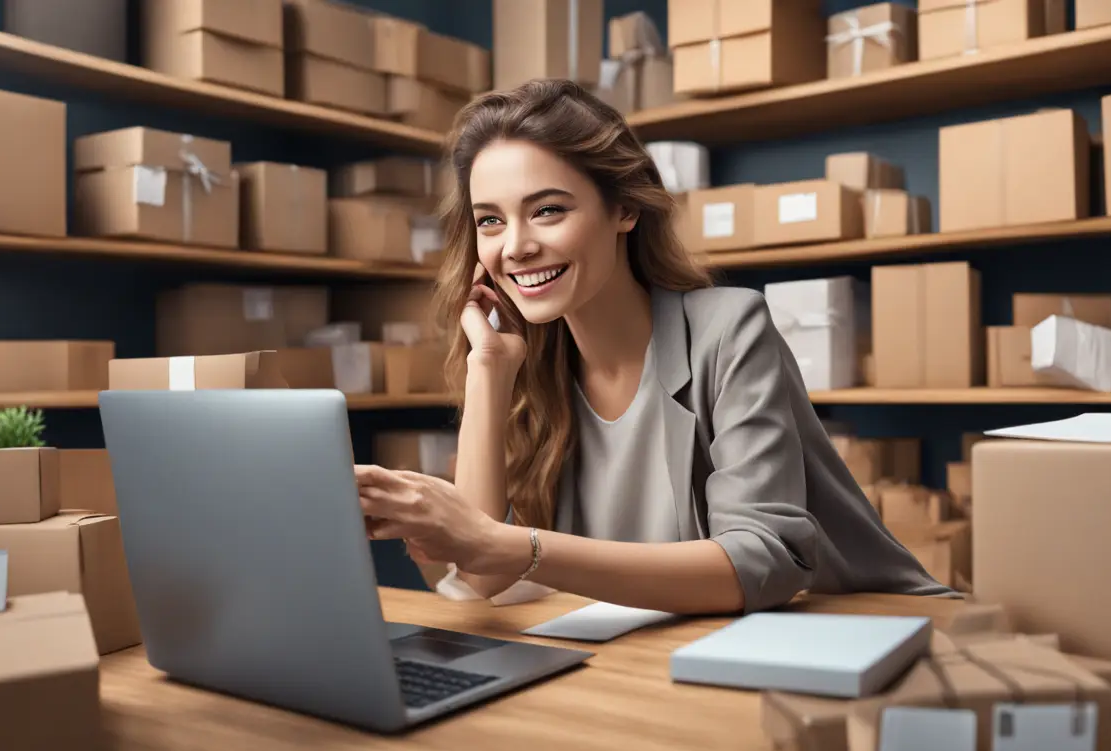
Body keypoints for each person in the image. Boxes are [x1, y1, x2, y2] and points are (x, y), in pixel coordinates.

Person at [356, 79, 957, 616]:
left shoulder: (729, 329)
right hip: (674, 653)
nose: (515, 247)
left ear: (623, 209)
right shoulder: (533, 363)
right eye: (490, 221)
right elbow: (483, 574)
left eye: (547, 211)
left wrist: (505, 545)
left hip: (864, 640)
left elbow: (763, 562)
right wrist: (488, 368)